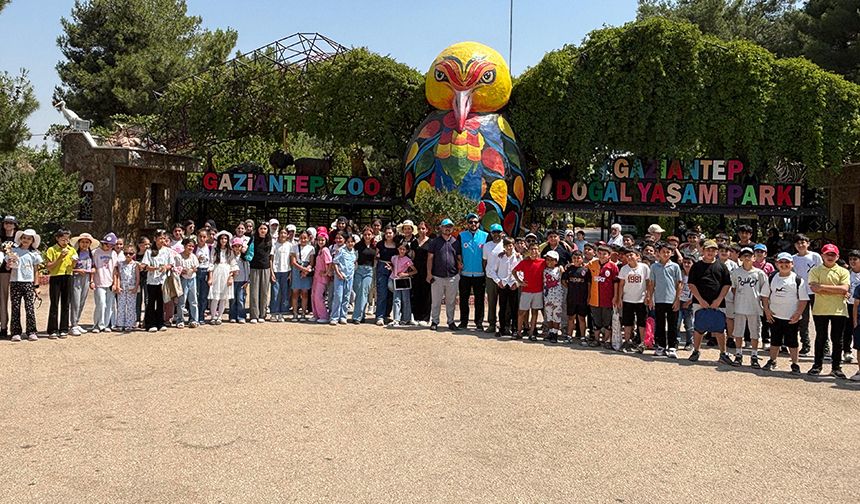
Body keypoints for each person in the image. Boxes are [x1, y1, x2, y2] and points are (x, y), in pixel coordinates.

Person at [807, 244, 850, 378]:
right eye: (827, 254)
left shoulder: (844, 271)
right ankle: (817, 365)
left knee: (837, 339)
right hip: (820, 309)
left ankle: (836, 367)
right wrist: (836, 289)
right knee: (821, 338)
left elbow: (844, 289)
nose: (830, 257)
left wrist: (822, 288)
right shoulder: (815, 270)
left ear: (837, 256)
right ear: (822, 255)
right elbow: (814, 288)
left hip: (839, 310)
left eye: (833, 255)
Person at [687, 240, 733, 364]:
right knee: (698, 328)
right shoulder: (696, 266)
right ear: (703, 250)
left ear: (716, 252)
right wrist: (701, 300)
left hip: (718, 303)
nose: (710, 252)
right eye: (708, 249)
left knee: (719, 329)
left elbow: (727, 284)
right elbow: (691, 284)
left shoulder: (722, 266)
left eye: (713, 250)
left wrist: (718, 300)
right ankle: (696, 351)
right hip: (699, 302)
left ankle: (723, 353)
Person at [762, 252, 809, 374]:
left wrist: (798, 314)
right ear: (777, 264)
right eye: (781, 262)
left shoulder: (798, 280)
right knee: (775, 340)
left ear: (792, 264)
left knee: (792, 341)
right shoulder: (772, 278)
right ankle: (772, 360)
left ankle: (795, 364)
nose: (784, 265)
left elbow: (803, 299)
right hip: (774, 315)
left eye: (787, 262)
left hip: (791, 317)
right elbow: (765, 296)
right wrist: (766, 310)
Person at [730, 247, 770, 368]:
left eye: (749, 255)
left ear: (754, 257)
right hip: (740, 307)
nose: (747, 258)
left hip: (754, 307)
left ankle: (754, 355)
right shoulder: (736, 272)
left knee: (754, 333)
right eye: (744, 255)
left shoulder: (759, 273)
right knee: (738, 332)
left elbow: (765, 291)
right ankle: (738, 354)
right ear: (740, 258)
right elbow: (734, 288)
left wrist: (765, 307)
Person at [647, 242, 683, 358]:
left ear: (672, 253)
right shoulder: (654, 267)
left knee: (673, 324)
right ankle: (661, 345)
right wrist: (650, 298)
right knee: (660, 324)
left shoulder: (675, 266)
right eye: (663, 252)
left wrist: (677, 299)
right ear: (658, 253)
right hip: (659, 299)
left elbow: (679, 284)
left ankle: (672, 347)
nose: (666, 254)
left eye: (668, 252)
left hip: (672, 299)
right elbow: (651, 284)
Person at [427, 218, 462, 331]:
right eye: (446, 226)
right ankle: (435, 321)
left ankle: (451, 322)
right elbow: (430, 258)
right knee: (436, 301)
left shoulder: (456, 242)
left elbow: (459, 258)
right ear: (441, 228)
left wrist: (459, 273)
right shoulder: (435, 242)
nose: (448, 228)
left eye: (450, 226)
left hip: (452, 276)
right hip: (437, 276)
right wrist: (429, 274)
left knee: (451, 301)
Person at [7, 229, 42, 341]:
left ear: (32, 241)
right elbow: (8, 267)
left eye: (29, 238)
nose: (26, 240)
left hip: (28, 283)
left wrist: (36, 286)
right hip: (15, 281)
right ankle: (15, 332)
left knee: (29, 307)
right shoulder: (13, 251)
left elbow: (36, 270)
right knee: (15, 307)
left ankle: (31, 331)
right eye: (24, 238)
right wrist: (9, 264)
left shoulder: (34, 253)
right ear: (20, 239)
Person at [44, 229, 77, 339]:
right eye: (63, 239)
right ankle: (52, 329)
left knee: (66, 303)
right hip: (56, 277)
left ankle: (64, 329)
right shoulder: (52, 249)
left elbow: (73, 266)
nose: (65, 242)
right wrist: (60, 258)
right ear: (57, 238)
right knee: (54, 303)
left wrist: (74, 262)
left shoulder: (71, 250)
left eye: (67, 239)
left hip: (68, 276)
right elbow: (48, 267)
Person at [457, 213, 488, 330]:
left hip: (480, 273)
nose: (473, 224)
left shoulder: (485, 236)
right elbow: (458, 252)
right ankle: (463, 321)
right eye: (471, 222)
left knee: (479, 300)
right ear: (467, 224)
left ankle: (479, 322)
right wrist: (458, 261)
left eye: (475, 222)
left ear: (479, 223)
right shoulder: (461, 236)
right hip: (465, 273)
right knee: (463, 299)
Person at [792, 234, 821, 355]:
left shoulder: (815, 256)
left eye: (803, 242)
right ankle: (805, 344)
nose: (800, 245)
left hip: (815, 292)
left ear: (808, 244)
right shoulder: (793, 258)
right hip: (800, 293)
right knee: (803, 320)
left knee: (819, 320)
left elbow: (821, 271)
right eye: (798, 243)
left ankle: (824, 346)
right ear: (795, 245)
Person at [616, 248, 650, 353]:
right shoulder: (624, 269)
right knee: (627, 322)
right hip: (627, 299)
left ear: (638, 256)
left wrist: (648, 296)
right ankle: (627, 341)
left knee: (642, 322)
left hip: (641, 299)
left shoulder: (644, 268)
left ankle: (642, 342)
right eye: (627, 256)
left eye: (632, 255)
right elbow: (621, 284)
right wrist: (619, 298)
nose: (629, 257)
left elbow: (648, 282)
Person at [513, 243, 546, 341]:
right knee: (521, 312)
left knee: (535, 312)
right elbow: (514, 271)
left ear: (539, 251)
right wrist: (519, 281)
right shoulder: (524, 262)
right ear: (529, 251)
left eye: (536, 249)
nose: (534, 251)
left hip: (538, 291)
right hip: (526, 291)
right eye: (532, 249)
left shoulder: (543, 262)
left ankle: (532, 332)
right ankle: (519, 332)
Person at [489, 237, 520, 337]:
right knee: (502, 308)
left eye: (511, 245)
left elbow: (522, 272)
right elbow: (492, 271)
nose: (509, 248)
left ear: (513, 245)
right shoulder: (500, 257)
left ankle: (514, 329)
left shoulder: (518, 257)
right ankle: (502, 328)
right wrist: (498, 281)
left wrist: (517, 283)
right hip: (503, 285)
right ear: (504, 247)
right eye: (507, 246)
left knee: (514, 308)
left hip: (513, 285)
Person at [142, 230, 172, 333]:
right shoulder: (149, 251)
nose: (162, 240)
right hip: (151, 281)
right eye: (160, 238)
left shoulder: (167, 251)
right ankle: (150, 323)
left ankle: (160, 322)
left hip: (162, 280)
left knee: (161, 302)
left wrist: (166, 267)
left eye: (164, 238)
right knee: (151, 302)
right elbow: (144, 265)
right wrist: (151, 268)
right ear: (155, 239)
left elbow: (171, 264)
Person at [590, 245, 619, 348]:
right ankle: (596, 340)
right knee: (596, 321)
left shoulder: (613, 266)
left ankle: (606, 341)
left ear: (609, 255)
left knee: (607, 322)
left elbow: (616, 283)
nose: (602, 256)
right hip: (594, 299)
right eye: (600, 253)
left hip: (608, 299)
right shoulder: (592, 264)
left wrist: (615, 296)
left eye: (604, 254)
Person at [69, 233, 97, 336]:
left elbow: (93, 267)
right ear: (79, 243)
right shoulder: (75, 253)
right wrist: (77, 270)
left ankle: (76, 322)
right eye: (82, 242)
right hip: (76, 278)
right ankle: (73, 325)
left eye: (87, 242)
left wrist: (92, 279)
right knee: (75, 301)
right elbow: (69, 268)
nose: (84, 244)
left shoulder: (91, 254)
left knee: (82, 301)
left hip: (86, 279)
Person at [207, 231, 237, 325]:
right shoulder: (215, 250)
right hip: (217, 272)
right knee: (215, 297)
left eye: (225, 239)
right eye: (221, 238)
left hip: (226, 273)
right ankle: (213, 316)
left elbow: (233, 264)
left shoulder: (230, 251)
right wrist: (210, 277)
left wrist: (231, 277)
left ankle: (220, 316)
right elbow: (211, 263)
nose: (223, 240)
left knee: (224, 297)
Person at [246, 223, 272, 324]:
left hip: (266, 268)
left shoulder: (269, 240)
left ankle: (262, 314)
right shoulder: (253, 239)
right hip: (254, 267)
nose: (263, 230)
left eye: (265, 229)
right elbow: (247, 252)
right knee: (254, 292)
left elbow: (270, 256)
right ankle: (254, 315)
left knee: (264, 292)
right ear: (257, 229)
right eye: (261, 228)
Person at [563, 249, 591, 343]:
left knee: (582, 318)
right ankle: (569, 336)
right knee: (571, 318)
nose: (576, 260)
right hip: (571, 298)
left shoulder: (586, 270)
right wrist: (570, 287)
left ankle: (583, 336)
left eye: (578, 258)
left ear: (582, 258)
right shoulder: (569, 269)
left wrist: (588, 296)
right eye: (574, 258)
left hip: (582, 298)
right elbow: (563, 281)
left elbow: (589, 284)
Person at [92, 233, 118, 333]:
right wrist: (91, 280)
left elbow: (115, 270)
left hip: (110, 282)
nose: (109, 247)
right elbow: (93, 267)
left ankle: (106, 324)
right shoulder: (96, 252)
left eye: (111, 245)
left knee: (109, 304)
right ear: (103, 243)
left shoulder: (113, 253)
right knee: (101, 304)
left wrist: (115, 283)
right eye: (107, 244)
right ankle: (97, 324)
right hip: (99, 282)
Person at [330, 232, 356, 325]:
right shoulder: (341, 250)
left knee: (346, 297)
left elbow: (353, 263)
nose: (350, 244)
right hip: (340, 276)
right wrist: (338, 273)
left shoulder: (354, 251)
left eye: (352, 242)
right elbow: (335, 262)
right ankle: (334, 317)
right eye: (348, 242)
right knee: (338, 296)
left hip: (349, 277)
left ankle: (343, 316)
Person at [374, 226, 398, 325]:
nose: (388, 235)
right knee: (382, 292)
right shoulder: (380, 244)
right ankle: (379, 316)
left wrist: (392, 266)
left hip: (393, 269)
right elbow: (376, 256)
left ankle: (386, 315)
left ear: (394, 234)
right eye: (387, 233)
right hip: (382, 268)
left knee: (391, 293)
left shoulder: (397, 245)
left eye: (390, 233)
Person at [352, 227, 377, 324]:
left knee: (364, 291)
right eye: (365, 234)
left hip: (369, 271)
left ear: (372, 235)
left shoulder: (375, 246)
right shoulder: (358, 246)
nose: (367, 236)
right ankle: (362, 314)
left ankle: (357, 317)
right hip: (359, 270)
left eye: (369, 235)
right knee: (359, 292)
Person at [482, 223, 504, 333]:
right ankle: (491, 324)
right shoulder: (487, 246)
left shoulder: (506, 245)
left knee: (504, 302)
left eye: (498, 232)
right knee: (492, 301)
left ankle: (504, 324)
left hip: (503, 277)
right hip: (491, 277)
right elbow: (485, 261)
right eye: (494, 232)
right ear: (491, 233)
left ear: (502, 233)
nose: (496, 234)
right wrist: (488, 273)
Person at [410, 222, 432, 326]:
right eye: (419, 229)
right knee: (416, 293)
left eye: (423, 228)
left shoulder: (431, 242)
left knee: (426, 294)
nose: (421, 230)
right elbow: (413, 257)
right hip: (416, 270)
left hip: (426, 270)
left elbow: (432, 258)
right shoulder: (414, 243)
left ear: (427, 229)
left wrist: (430, 273)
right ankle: (416, 316)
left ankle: (425, 317)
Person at [114, 243, 140, 331]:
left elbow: (137, 277)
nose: (128, 255)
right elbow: (118, 275)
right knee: (121, 305)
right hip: (122, 286)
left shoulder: (135, 264)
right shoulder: (120, 263)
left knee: (131, 306)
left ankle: (130, 323)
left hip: (131, 287)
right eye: (126, 253)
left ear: (134, 254)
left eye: (130, 253)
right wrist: (117, 286)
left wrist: (136, 287)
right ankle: (120, 324)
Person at [174, 238, 200, 328]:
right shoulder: (178, 257)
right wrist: (182, 270)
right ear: (184, 246)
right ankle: (180, 320)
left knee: (193, 300)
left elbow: (196, 267)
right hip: (182, 280)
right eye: (189, 245)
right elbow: (176, 269)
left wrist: (192, 270)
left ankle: (194, 319)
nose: (191, 248)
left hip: (192, 279)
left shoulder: (193, 256)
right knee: (182, 301)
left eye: (192, 246)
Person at [389, 242, 416, 326]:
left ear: (406, 250)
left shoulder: (407, 260)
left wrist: (406, 274)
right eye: (400, 249)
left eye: (404, 249)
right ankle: (396, 319)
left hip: (404, 281)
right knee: (396, 300)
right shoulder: (394, 258)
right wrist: (390, 268)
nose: (401, 251)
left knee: (406, 299)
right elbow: (393, 267)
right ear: (398, 249)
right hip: (395, 279)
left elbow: (415, 271)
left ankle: (406, 318)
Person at [0, 215, 18, 338]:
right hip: (3, 272)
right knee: (2, 300)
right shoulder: (0, 237)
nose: (8, 225)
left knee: (16, 301)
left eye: (11, 223)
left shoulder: (19, 238)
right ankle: (3, 327)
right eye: (6, 223)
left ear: (15, 224)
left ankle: (16, 329)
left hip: (17, 273)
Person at [290, 230, 314, 321]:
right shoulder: (294, 247)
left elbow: (312, 262)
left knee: (305, 293)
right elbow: (293, 262)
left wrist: (307, 269)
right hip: (297, 270)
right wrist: (302, 269)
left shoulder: (311, 248)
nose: (303, 240)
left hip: (307, 271)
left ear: (308, 238)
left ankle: (303, 313)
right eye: (301, 238)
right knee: (295, 293)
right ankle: (295, 313)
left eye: (305, 238)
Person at [541, 250, 565, 342]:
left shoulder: (559, 269)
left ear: (556, 261)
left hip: (557, 296)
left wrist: (562, 268)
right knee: (549, 315)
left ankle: (555, 333)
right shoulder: (544, 269)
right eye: (547, 259)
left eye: (552, 260)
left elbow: (563, 274)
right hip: (547, 296)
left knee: (557, 315)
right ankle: (550, 331)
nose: (549, 262)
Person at [270, 228, 293, 322]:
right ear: (278, 234)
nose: (283, 235)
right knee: (275, 293)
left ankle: (282, 313)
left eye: (285, 233)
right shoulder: (274, 245)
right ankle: (273, 313)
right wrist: (271, 272)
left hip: (286, 271)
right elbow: (271, 259)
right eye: (281, 233)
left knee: (284, 293)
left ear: (288, 235)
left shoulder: (290, 245)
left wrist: (291, 273)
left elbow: (291, 260)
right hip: (276, 271)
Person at [842, 249, 860, 365]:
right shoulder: (846, 273)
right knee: (847, 329)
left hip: (859, 306)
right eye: (851, 259)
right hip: (848, 304)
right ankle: (847, 351)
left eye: (855, 259)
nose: (852, 262)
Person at [311, 231, 332, 324]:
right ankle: (316, 314)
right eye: (319, 240)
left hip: (322, 278)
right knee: (313, 295)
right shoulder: (319, 250)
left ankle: (323, 315)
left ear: (326, 240)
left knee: (318, 296)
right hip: (316, 276)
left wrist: (326, 272)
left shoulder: (325, 250)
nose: (320, 241)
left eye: (322, 240)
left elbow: (329, 262)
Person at [230, 238, 250, 324]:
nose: (237, 248)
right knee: (232, 299)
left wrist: (247, 280)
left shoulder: (244, 258)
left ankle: (241, 316)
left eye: (239, 246)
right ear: (232, 247)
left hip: (242, 281)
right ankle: (232, 316)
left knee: (241, 299)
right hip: (233, 281)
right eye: (235, 246)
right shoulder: (230, 257)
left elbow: (247, 269)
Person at [677, 254, 695, 350]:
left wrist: (689, 301)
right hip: (679, 301)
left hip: (690, 302)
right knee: (677, 322)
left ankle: (689, 342)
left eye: (689, 263)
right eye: (685, 262)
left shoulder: (696, 275)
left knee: (689, 324)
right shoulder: (680, 273)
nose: (686, 264)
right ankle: (676, 341)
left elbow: (697, 291)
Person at [194, 229, 212, 321]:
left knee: (203, 296)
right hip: (196, 272)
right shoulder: (194, 247)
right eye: (200, 236)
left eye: (204, 237)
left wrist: (210, 276)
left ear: (207, 237)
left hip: (205, 272)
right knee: (195, 295)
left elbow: (211, 263)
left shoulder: (209, 248)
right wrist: (196, 258)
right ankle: (194, 317)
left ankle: (201, 316)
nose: (202, 238)